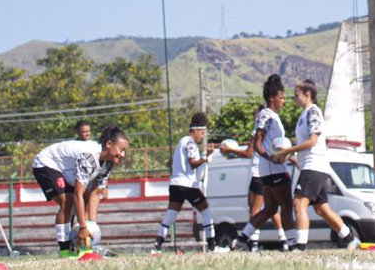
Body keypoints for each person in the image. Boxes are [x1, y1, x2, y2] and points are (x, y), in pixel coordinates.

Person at [276, 80, 360, 250]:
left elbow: (312, 141)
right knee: (322, 209)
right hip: (313, 166)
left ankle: (300, 248)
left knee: (299, 204)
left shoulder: (313, 112)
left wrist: (288, 150)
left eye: (296, 95)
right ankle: (351, 239)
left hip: (314, 165)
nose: (294, 98)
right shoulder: (304, 114)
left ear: (308, 95)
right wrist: (292, 157)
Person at [31, 125, 129, 254]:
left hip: (66, 169)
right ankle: (65, 251)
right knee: (68, 202)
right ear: (109, 144)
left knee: (81, 201)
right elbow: (78, 194)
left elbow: (94, 192)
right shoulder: (89, 157)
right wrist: (83, 227)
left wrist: (91, 225)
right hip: (46, 163)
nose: (123, 155)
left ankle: (83, 248)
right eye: (121, 150)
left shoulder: (108, 163)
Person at [232, 75, 295, 251]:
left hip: (268, 171)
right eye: (281, 98)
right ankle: (293, 245)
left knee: (270, 209)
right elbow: (258, 145)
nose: (283, 101)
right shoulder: (267, 116)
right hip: (273, 169)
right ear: (272, 98)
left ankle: (242, 240)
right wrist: (271, 157)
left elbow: (274, 144)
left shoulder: (272, 116)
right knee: (287, 206)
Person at [153, 112, 220, 252]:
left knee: (171, 215)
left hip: (175, 185)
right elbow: (193, 163)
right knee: (206, 212)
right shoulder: (190, 143)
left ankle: (157, 246)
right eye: (202, 133)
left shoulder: (181, 142)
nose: (202, 136)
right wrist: (206, 156)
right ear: (196, 130)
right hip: (188, 185)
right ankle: (212, 247)